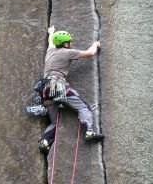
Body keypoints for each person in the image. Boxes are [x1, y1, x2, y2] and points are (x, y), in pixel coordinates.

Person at [38, 25, 104, 154]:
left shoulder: (50, 50)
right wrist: (96, 44)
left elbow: (51, 41)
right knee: (83, 107)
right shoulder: (68, 52)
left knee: (54, 122)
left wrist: (51, 32)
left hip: (45, 90)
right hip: (58, 86)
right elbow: (90, 53)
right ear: (66, 44)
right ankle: (89, 132)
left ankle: (45, 142)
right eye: (69, 41)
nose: (71, 43)